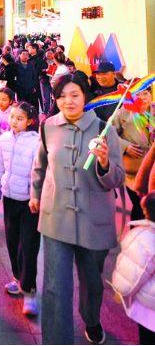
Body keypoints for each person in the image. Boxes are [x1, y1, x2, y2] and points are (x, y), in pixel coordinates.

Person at [30, 73, 125, 345]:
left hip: (94, 220)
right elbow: (41, 165)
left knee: (92, 282)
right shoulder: (48, 126)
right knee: (55, 286)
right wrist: (35, 194)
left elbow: (117, 179)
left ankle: (91, 319)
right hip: (55, 215)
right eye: (61, 96)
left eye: (74, 95)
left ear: (85, 96)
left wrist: (104, 162)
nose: (68, 101)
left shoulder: (105, 129)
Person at [0, 101, 41, 316]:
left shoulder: (37, 142)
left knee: (28, 246)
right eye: (12, 117)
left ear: (30, 121)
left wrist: (36, 196)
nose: (14, 122)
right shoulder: (3, 140)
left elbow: (39, 171)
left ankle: (29, 291)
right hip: (9, 199)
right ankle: (18, 278)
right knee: (12, 241)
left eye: (20, 119)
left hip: (30, 203)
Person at [112, 191, 155, 345]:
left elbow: (129, 276)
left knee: (148, 338)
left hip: (149, 311)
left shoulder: (142, 238)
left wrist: (120, 291)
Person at [113, 86, 155, 221]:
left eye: (146, 93)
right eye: (138, 95)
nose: (143, 98)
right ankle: (137, 232)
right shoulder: (122, 113)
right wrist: (125, 146)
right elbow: (106, 133)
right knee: (139, 207)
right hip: (135, 172)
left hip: (153, 170)